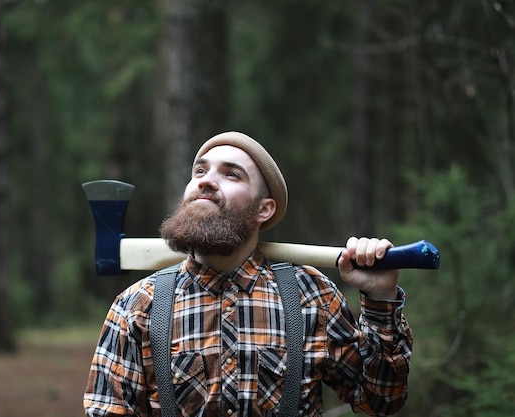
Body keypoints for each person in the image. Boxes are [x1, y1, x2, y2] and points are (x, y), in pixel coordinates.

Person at [83, 131, 412, 416]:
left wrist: (380, 299)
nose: (206, 179)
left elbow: (381, 399)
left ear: (263, 209)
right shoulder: (136, 306)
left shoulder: (312, 296)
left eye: (232, 174)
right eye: (200, 170)